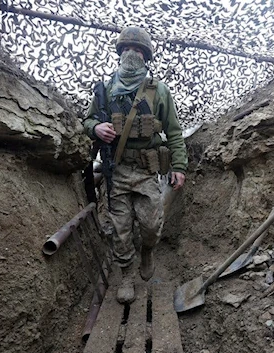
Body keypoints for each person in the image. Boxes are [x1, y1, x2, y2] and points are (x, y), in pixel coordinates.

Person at [83, 26, 188, 304]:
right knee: (120, 228)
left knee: (152, 225)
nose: (132, 53)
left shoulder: (159, 91)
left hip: (145, 171)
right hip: (116, 170)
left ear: (146, 56)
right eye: (127, 48)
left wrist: (179, 166)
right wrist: (97, 128)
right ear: (120, 53)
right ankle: (126, 275)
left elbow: (174, 132)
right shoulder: (104, 90)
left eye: (138, 49)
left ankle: (147, 252)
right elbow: (87, 120)